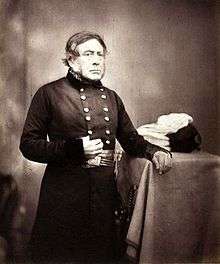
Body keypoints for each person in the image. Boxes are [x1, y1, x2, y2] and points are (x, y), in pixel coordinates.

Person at [20, 31, 172, 263]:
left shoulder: (112, 98)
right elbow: (29, 145)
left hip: (102, 197)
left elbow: (132, 140)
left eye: (100, 54)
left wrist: (155, 152)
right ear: (71, 59)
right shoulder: (49, 94)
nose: (96, 60)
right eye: (88, 53)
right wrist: (73, 149)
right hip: (63, 198)